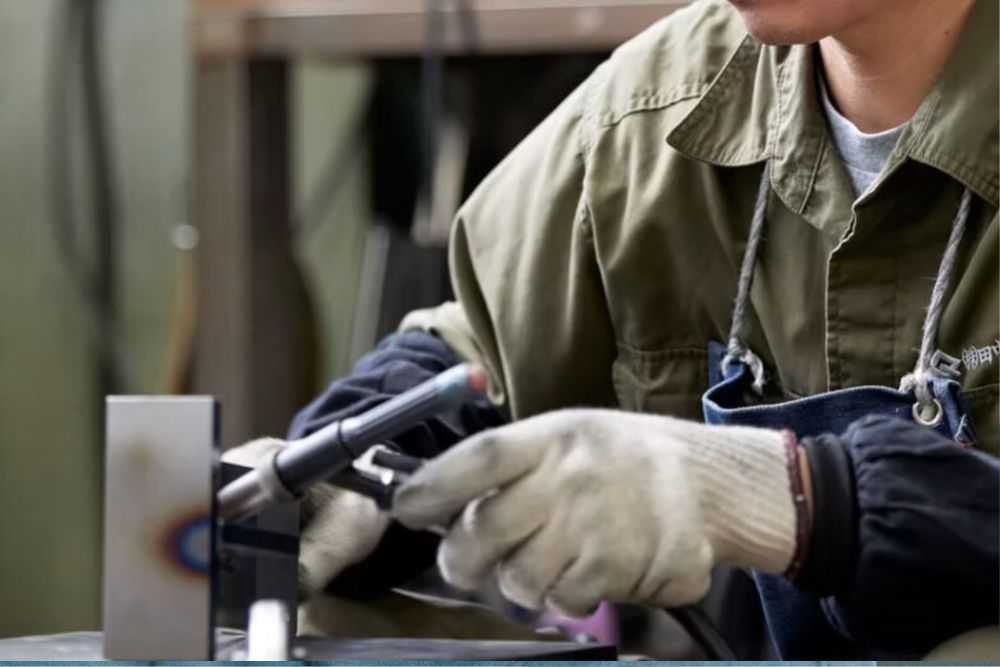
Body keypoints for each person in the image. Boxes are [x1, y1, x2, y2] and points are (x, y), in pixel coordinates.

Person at [225, 0, 999, 659]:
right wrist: (345, 469)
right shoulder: (658, 113)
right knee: (328, 621)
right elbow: (485, 346)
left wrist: (800, 498)